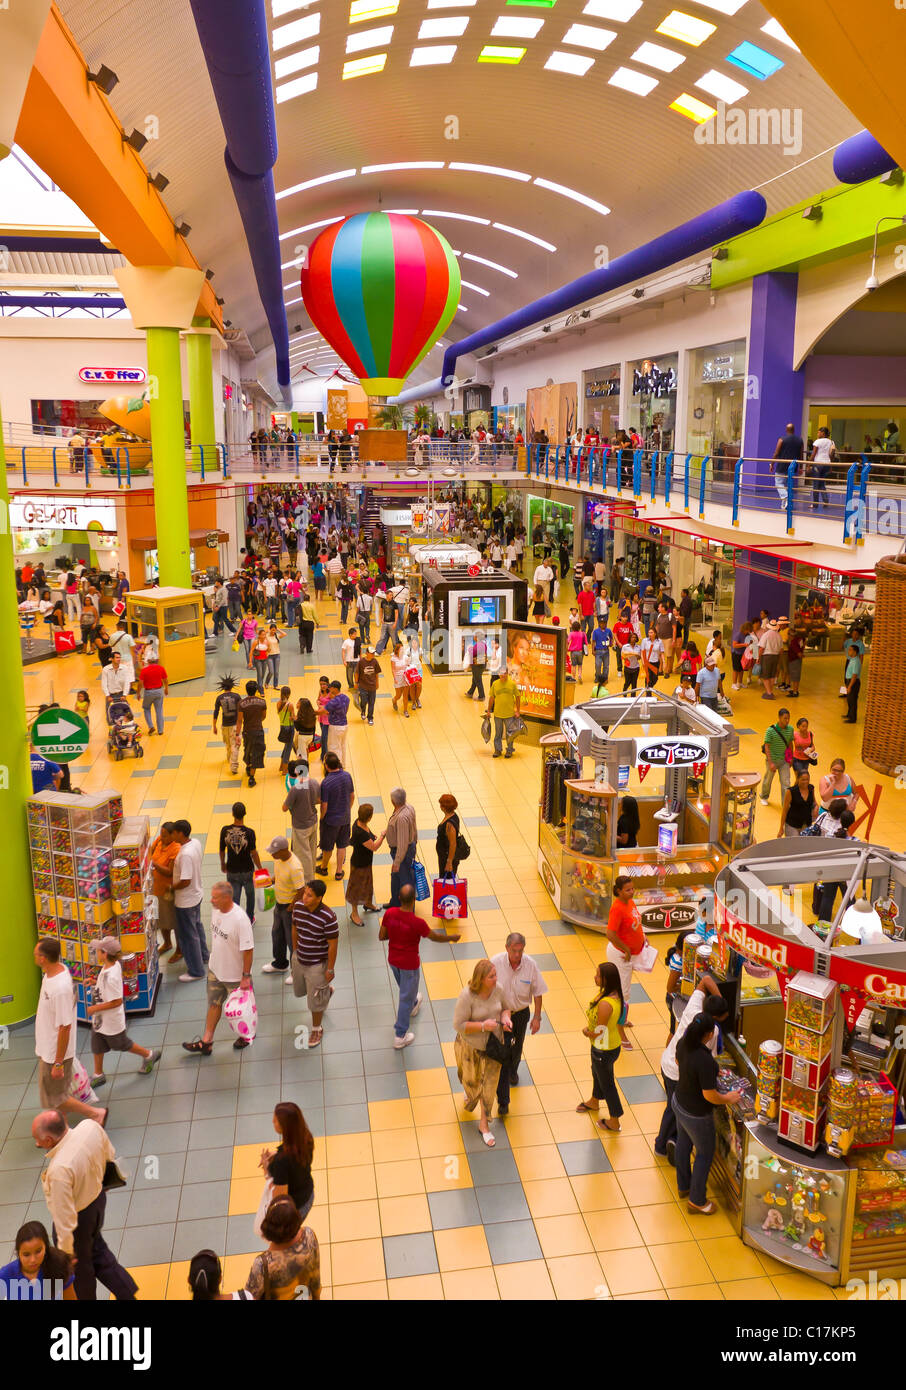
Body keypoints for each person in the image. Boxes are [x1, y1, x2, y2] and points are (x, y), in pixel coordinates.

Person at [33, 1110, 138, 1301]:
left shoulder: (59, 1170)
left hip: (77, 1222)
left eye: (38, 1139)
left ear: (48, 1140)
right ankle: (127, 1293)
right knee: (98, 1251)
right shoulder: (90, 1127)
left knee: (81, 1275)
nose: (37, 1143)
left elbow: (64, 1218)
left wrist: (66, 1255)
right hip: (97, 1202)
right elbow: (109, 1154)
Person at [673, 1013, 742, 1215]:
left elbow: (680, 1063)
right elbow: (710, 1095)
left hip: (679, 1101)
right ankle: (697, 1200)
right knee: (704, 1153)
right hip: (696, 1114)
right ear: (711, 1034)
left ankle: (683, 1185)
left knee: (683, 1144)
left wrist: (706, 1074)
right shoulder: (705, 1061)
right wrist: (728, 1098)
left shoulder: (683, 1044)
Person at [33, 938, 107, 1125]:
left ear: (43, 958)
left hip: (54, 1053)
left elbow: (64, 1027)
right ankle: (62, 1128)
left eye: (36, 954)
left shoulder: (59, 989)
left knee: (56, 1097)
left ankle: (95, 1113)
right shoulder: (56, 971)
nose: (34, 956)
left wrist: (58, 1062)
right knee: (55, 1094)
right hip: (47, 1048)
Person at [654, 982, 728, 1163]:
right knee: (675, 1108)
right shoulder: (712, 1032)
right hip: (678, 1074)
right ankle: (663, 1144)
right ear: (718, 1017)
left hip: (667, 1062)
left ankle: (669, 1141)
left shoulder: (694, 1007)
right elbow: (709, 1060)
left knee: (672, 1107)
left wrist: (718, 998)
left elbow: (705, 981)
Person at [380, 884, 459, 1048]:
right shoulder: (418, 923)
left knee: (405, 988)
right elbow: (434, 937)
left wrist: (397, 935)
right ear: (414, 900)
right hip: (409, 964)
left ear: (399, 898)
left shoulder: (389, 913)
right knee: (404, 997)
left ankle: (414, 1002)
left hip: (393, 960)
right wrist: (451, 938)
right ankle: (400, 1035)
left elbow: (382, 936)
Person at [182, 881, 254, 1055]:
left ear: (226, 898)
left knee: (241, 1009)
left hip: (235, 976)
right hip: (216, 970)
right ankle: (207, 1042)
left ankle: (246, 1035)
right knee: (214, 1004)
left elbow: (248, 950)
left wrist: (245, 976)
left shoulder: (240, 919)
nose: (211, 901)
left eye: (215, 897)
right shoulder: (216, 911)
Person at [453, 959, 513, 1147]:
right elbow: (459, 1025)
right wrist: (482, 1026)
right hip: (471, 1048)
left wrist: (506, 1019)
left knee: (488, 1088)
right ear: (481, 979)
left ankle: (484, 1125)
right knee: (470, 1082)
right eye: (491, 976)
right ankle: (470, 1092)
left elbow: (506, 1008)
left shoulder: (499, 990)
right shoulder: (467, 996)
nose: (496, 979)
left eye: (496, 975)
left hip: (493, 1048)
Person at [86, 937, 161, 1085]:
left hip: (112, 1021)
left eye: (98, 950)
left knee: (122, 1044)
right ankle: (98, 1074)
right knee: (97, 1044)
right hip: (101, 1020)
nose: (96, 952)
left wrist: (95, 1008)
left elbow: (117, 1001)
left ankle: (149, 1055)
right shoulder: (110, 966)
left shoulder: (111, 975)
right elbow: (106, 985)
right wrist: (95, 982)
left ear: (105, 953)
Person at [491, 933, 547, 1115]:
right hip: (500, 1014)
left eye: (520, 951)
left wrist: (537, 1017)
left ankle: (512, 1070)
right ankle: (503, 1080)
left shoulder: (530, 965)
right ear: (507, 948)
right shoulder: (495, 963)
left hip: (521, 1014)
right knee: (503, 1049)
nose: (517, 955)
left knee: (517, 1046)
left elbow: (538, 992)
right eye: (514, 951)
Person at [576, 962, 625, 1131]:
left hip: (603, 1048)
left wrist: (586, 1032)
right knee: (597, 1073)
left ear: (606, 979)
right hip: (607, 1046)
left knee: (607, 1083)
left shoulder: (606, 1003)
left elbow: (598, 1031)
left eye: (597, 975)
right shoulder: (612, 993)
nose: (594, 977)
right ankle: (594, 1101)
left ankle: (615, 1120)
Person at [290, 880, 339, 1048]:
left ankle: (317, 1028)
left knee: (314, 1003)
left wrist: (330, 968)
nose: (305, 898)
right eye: (305, 893)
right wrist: (295, 952)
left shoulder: (328, 917)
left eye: (309, 895)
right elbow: (295, 928)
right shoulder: (298, 907)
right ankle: (326, 991)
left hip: (317, 964)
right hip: (300, 959)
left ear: (319, 898)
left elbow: (333, 944)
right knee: (303, 991)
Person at [244, 1197, 321, 1301]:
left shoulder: (263, 1264)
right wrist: (317, 1296)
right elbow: (315, 1274)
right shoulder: (309, 1236)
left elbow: (250, 1296)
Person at [605, 876, 645, 1049]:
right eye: (628, 890)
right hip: (621, 956)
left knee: (624, 993)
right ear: (619, 891)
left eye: (632, 888)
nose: (631, 891)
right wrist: (626, 949)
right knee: (623, 995)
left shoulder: (630, 902)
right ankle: (619, 1030)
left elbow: (634, 925)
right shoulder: (617, 908)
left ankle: (621, 1019)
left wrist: (643, 939)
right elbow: (610, 933)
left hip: (630, 954)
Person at [259, 1102, 315, 1222]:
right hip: (308, 1194)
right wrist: (276, 1154)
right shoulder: (306, 1137)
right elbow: (295, 1160)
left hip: (294, 1210)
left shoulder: (281, 1162)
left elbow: (280, 1199)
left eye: (276, 1120)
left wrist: (266, 1168)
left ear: (285, 1126)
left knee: (288, 1239)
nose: (272, 1121)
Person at [171, 819, 209, 982]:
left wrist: (171, 887)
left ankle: (196, 970)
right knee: (197, 927)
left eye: (173, 832)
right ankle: (204, 955)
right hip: (197, 894)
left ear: (180, 833)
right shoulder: (196, 843)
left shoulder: (185, 854)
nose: (172, 835)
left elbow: (185, 880)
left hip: (186, 900)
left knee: (188, 935)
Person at [0, 1221, 75, 1301]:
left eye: (38, 1251)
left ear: (46, 1248)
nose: (33, 1260)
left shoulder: (60, 1267)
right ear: (18, 1253)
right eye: (26, 1254)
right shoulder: (5, 1275)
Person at [219, 801, 262, 922]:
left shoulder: (225, 830)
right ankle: (249, 918)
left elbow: (221, 850)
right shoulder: (249, 832)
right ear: (245, 814)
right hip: (247, 870)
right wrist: (260, 868)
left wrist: (223, 864)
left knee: (234, 897)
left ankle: (236, 920)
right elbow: (254, 853)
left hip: (232, 869)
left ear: (232, 814)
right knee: (250, 895)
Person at [316, 751, 354, 880]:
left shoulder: (326, 783)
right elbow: (352, 796)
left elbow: (324, 805)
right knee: (342, 845)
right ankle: (339, 872)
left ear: (326, 766)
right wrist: (346, 810)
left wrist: (322, 817)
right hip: (345, 818)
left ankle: (323, 868)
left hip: (331, 821)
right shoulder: (347, 776)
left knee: (328, 846)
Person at [282, 761, 321, 880]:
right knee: (312, 851)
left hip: (301, 826)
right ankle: (312, 874)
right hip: (313, 821)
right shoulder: (314, 782)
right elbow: (319, 800)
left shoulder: (295, 789)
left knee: (304, 856)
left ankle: (308, 883)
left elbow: (284, 808)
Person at [347, 804, 384, 925]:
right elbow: (374, 847)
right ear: (369, 817)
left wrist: (372, 837)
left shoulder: (359, 822)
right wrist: (382, 836)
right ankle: (354, 913)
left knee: (368, 884)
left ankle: (368, 903)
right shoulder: (360, 832)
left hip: (366, 862)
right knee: (356, 888)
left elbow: (369, 836)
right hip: (359, 864)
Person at [151, 820, 181, 958]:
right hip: (156, 890)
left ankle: (180, 950)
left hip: (167, 891)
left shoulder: (176, 848)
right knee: (161, 920)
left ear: (172, 835)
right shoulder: (159, 841)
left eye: (165, 835)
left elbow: (169, 871)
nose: (161, 837)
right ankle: (167, 943)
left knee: (174, 921)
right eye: (161, 834)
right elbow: (150, 851)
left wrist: (154, 864)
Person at [385, 785, 418, 906]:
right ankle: (395, 902)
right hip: (405, 850)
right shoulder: (409, 807)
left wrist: (397, 862)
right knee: (395, 877)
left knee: (405, 882)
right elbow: (414, 828)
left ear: (393, 801)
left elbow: (403, 843)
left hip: (401, 853)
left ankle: (408, 909)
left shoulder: (402, 818)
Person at [485, 663, 521, 759]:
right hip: (498, 714)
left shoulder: (512, 684)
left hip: (509, 714)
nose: (503, 675)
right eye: (501, 673)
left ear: (507, 673)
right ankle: (498, 750)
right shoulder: (495, 684)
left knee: (510, 734)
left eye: (504, 673)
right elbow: (491, 698)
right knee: (498, 733)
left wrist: (518, 711)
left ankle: (509, 750)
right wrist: (489, 711)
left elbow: (517, 697)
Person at [236, 678, 267, 787]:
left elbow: (239, 721)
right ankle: (252, 778)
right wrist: (257, 720)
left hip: (247, 732)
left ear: (246, 690)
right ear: (256, 690)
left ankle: (248, 765)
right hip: (258, 730)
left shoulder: (241, 703)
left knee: (247, 750)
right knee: (257, 752)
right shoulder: (262, 702)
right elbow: (263, 716)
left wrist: (237, 735)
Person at [760, 707, 794, 805]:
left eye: (788, 718)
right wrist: (770, 762)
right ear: (779, 718)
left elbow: (790, 743)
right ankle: (764, 796)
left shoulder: (790, 729)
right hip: (773, 760)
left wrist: (791, 757)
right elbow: (767, 747)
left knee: (786, 783)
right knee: (768, 780)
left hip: (784, 761)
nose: (787, 720)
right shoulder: (770, 731)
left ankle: (785, 803)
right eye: (785, 718)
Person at [213, 675, 242, 775]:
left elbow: (216, 712)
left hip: (225, 725)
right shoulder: (237, 696)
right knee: (235, 745)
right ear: (232, 686)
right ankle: (233, 766)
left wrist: (214, 726)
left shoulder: (219, 698)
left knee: (228, 744)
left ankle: (229, 757)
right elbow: (241, 710)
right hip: (235, 725)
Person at [771, 422, 804, 508]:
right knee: (787, 485)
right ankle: (784, 505)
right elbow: (801, 455)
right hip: (793, 466)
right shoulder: (800, 440)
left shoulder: (782, 439)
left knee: (778, 483)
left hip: (782, 466)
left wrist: (772, 463)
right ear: (794, 430)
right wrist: (801, 467)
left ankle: (786, 497)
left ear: (786, 430)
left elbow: (776, 453)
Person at [779, 768, 819, 837]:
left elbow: (814, 802)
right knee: (794, 846)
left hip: (807, 824)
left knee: (804, 846)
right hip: (792, 824)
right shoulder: (791, 791)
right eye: (803, 779)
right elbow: (785, 810)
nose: (805, 782)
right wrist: (781, 828)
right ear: (798, 779)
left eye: (807, 780)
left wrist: (816, 808)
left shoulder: (811, 788)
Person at [137, 653, 168, 736]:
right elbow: (165, 679)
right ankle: (160, 730)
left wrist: (138, 693)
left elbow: (140, 683)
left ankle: (151, 726)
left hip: (148, 692)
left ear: (148, 660)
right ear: (157, 660)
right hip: (159, 691)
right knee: (159, 710)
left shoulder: (144, 670)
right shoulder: (161, 668)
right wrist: (166, 689)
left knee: (146, 708)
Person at [809, 426, 835, 511]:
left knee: (816, 484)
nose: (817, 433)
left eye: (819, 432)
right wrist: (830, 466)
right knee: (822, 483)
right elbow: (832, 455)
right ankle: (825, 501)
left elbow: (813, 454)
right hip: (826, 464)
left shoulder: (817, 441)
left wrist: (808, 464)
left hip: (818, 464)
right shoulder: (831, 442)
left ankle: (815, 504)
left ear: (823, 433)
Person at [354, 645, 382, 725]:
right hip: (363, 686)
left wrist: (377, 683)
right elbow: (357, 673)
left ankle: (370, 717)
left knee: (371, 703)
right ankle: (363, 711)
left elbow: (376, 673)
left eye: (373, 653)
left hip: (372, 686)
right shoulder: (361, 662)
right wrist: (356, 683)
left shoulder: (375, 661)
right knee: (363, 701)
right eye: (371, 653)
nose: (372, 655)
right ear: (366, 653)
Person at [324, 679, 350, 761]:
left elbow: (323, 711)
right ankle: (343, 764)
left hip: (335, 727)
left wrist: (312, 712)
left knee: (335, 747)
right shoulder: (346, 698)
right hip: (344, 725)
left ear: (335, 688)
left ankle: (337, 767)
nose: (329, 690)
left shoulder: (334, 701)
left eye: (330, 688)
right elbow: (345, 711)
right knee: (342, 746)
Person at [276, 686, 296, 774]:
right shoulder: (290, 705)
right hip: (290, 728)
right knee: (288, 748)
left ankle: (281, 766)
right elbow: (293, 717)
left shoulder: (278, 703)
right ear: (289, 694)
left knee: (286, 746)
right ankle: (285, 769)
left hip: (282, 726)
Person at [464, 633, 488, 701]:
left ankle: (481, 696)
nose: (473, 637)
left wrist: (469, 648)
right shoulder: (482, 644)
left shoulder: (479, 645)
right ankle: (470, 693)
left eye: (474, 636)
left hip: (478, 665)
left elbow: (472, 652)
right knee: (475, 679)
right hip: (480, 664)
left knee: (478, 680)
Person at [842, 640, 862, 723]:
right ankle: (849, 714)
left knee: (853, 700)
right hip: (849, 681)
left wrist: (850, 686)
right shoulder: (852, 659)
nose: (848, 651)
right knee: (849, 699)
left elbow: (854, 675)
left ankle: (853, 718)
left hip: (853, 682)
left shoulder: (856, 661)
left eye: (850, 650)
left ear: (855, 652)